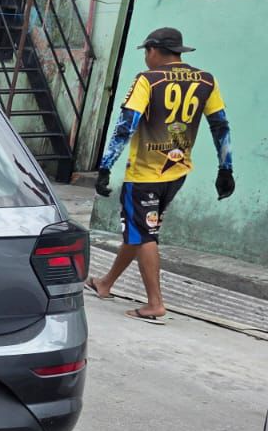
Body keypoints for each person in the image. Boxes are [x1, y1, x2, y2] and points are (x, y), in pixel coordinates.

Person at [88, 27, 234, 322]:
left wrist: (105, 166)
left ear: (154, 50)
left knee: (144, 233)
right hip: (176, 173)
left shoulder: (148, 80)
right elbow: (220, 125)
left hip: (144, 174)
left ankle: (155, 303)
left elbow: (126, 125)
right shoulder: (206, 80)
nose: (145, 57)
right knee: (141, 229)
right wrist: (225, 168)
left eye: (146, 51)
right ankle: (106, 283)